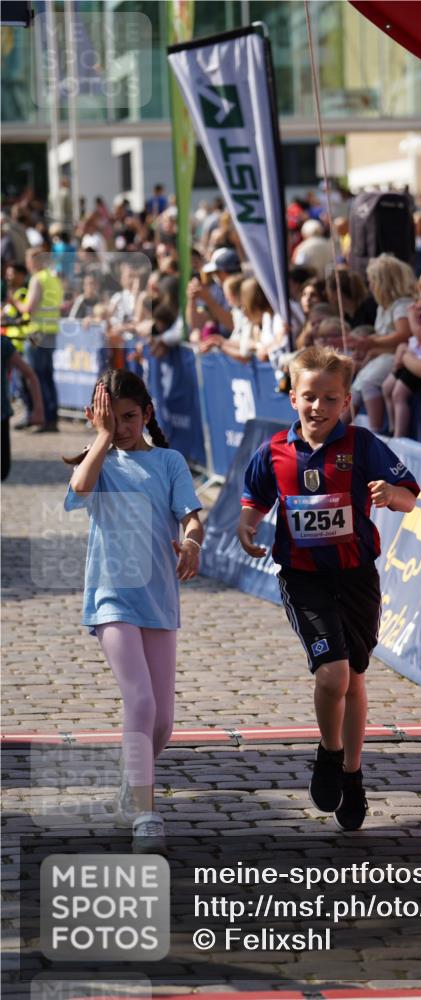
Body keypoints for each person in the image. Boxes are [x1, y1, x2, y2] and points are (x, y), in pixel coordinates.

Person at [238, 346, 419, 831]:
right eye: (309, 397)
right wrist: (248, 524)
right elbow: (254, 497)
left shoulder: (363, 445)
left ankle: (353, 776)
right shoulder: (274, 451)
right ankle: (329, 753)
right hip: (304, 578)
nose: (318, 407)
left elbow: (409, 496)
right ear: (292, 396)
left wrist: (392, 495)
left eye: (330, 399)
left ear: (346, 403)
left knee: (355, 679)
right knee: (333, 676)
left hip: (357, 576)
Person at [63, 369, 203, 853]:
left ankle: (132, 777)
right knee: (140, 703)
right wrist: (101, 439)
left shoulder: (169, 461)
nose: (122, 427)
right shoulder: (95, 461)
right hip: (110, 599)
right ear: (95, 417)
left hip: (159, 601)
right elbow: (80, 490)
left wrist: (190, 541)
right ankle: (146, 812)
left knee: (162, 722)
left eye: (129, 417)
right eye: (111, 418)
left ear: (147, 414)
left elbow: (191, 515)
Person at [348, 254, 416, 432]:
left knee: (368, 382)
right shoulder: (383, 307)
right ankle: (337, 431)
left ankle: (376, 431)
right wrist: (367, 346)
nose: (369, 286)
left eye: (372, 281)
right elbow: (380, 337)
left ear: (383, 282)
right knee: (357, 385)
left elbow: (404, 334)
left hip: (396, 355)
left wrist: (371, 342)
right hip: (383, 355)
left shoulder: (401, 305)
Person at [8, 247, 64, 432]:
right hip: (51, 331)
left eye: (29, 260)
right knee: (47, 376)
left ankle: (39, 417)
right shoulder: (53, 279)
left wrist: (14, 301)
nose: (28, 264)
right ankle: (51, 418)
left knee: (34, 376)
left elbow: (28, 307)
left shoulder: (38, 279)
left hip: (36, 333)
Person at [382, 265, 421, 437]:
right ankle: (392, 428)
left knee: (399, 394)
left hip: (420, 358)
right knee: (386, 388)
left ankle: (400, 435)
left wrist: (412, 318)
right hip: (413, 355)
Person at [1, 334, 44, 479]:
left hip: (2, 415)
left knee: (2, 471)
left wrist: (38, 409)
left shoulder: (3, 344)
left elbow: (29, 374)